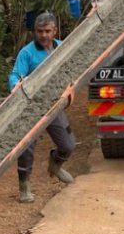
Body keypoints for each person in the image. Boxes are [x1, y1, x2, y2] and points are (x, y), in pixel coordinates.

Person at [8, 12, 76, 203]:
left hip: (54, 104)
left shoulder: (62, 47)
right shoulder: (27, 53)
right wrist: (16, 86)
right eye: (40, 31)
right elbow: (15, 75)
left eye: (47, 31)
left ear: (55, 31)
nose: (44, 35)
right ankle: (24, 186)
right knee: (27, 147)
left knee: (68, 144)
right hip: (31, 107)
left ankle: (55, 165)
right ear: (34, 32)